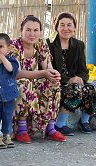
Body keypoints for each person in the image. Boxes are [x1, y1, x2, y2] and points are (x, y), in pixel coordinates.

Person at [10, 15, 67, 143]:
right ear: (21, 30)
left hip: (35, 82)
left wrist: (53, 74)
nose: (32, 34)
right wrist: (44, 73)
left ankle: (50, 128)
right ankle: (21, 129)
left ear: (40, 32)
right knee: (24, 83)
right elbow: (16, 74)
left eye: (36, 30)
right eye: (28, 30)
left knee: (53, 83)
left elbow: (48, 67)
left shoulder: (41, 43)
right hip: (15, 83)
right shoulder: (14, 46)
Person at [47, 12, 96, 136]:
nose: (66, 28)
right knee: (75, 89)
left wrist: (80, 78)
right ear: (56, 27)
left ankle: (84, 121)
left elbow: (83, 69)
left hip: (74, 81)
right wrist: (69, 80)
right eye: (62, 25)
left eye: (69, 25)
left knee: (94, 89)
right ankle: (60, 124)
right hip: (56, 81)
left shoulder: (78, 45)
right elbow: (50, 69)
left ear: (74, 27)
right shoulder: (49, 44)